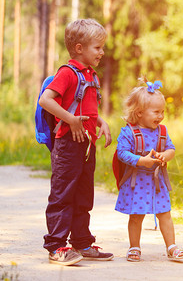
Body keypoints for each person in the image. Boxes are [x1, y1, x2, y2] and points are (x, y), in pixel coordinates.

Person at [39, 18, 114, 266]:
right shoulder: (67, 73)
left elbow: (88, 108)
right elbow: (46, 100)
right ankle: (57, 247)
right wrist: (71, 120)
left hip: (86, 145)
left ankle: (81, 242)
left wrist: (101, 122)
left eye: (102, 47)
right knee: (63, 195)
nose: (102, 52)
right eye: (98, 47)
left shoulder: (90, 75)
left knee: (83, 195)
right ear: (79, 48)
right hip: (67, 146)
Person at [115, 81, 183, 262]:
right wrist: (141, 161)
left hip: (157, 182)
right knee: (136, 216)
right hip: (137, 181)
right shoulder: (128, 132)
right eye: (156, 112)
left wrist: (165, 155)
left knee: (165, 214)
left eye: (162, 112)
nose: (161, 116)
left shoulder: (162, 131)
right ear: (139, 112)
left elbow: (171, 148)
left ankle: (172, 247)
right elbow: (121, 153)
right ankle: (134, 247)